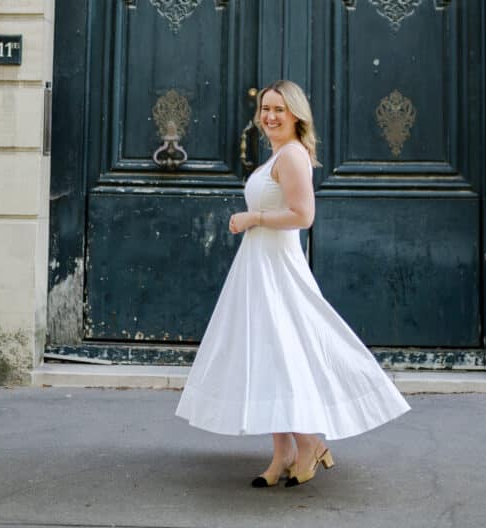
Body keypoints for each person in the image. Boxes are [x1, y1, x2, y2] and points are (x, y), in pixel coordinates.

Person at [175, 80, 410, 487]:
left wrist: (253, 218)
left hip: (278, 269)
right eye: (265, 108)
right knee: (267, 354)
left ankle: (310, 444)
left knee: (284, 353)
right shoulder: (277, 155)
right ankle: (283, 453)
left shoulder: (294, 156)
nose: (269, 116)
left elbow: (303, 215)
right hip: (259, 266)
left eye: (279, 109)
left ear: (296, 115)